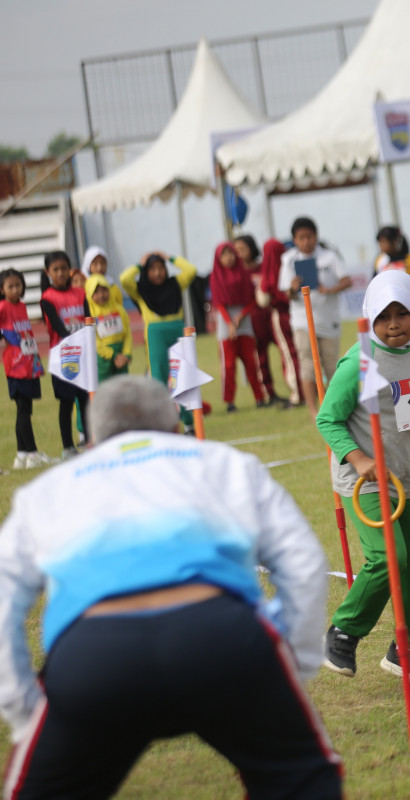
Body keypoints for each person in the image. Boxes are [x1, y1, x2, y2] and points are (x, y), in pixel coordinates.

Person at [0, 376, 341, 798]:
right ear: (176, 428)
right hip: (224, 639)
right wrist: (292, 659)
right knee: (303, 780)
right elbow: (302, 561)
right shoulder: (226, 464)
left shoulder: (46, 491)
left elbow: (4, 598)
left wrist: (23, 708)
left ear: (91, 442)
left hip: (94, 658)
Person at [316, 271, 410, 683]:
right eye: (385, 315)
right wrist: (358, 460)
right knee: (390, 557)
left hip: (408, 475)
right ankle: (341, 634)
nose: (394, 323)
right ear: (370, 316)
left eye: (403, 313)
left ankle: (409, 652)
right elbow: (327, 419)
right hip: (367, 481)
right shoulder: (359, 360)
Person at [277, 217, 351, 417]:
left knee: (331, 365)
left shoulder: (330, 256)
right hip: (302, 321)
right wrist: (292, 288)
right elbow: (285, 293)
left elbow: (347, 281)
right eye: (301, 237)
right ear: (295, 239)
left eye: (309, 236)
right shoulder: (288, 259)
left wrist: (330, 289)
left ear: (316, 236)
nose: (306, 241)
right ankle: (313, 410)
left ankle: (336, 408)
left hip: (329, 319)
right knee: (308, 364)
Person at [120, 250, 197, 433]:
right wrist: (140, 264)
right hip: (155, 334)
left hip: (178, 330)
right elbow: (124, 278)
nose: (157, 273)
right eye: (152, 269)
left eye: (161, 268)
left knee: (183, 377)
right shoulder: (140, 290)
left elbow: (191, 270)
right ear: (146, 272)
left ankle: (189, 424)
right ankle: (164, 425)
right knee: (159, 380)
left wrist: (169, 257)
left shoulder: (175, 284)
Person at [238, 235, 301, 409]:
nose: (239, 253)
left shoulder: (267, 268)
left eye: (242, 249)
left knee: (288, 354)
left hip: (276, 316)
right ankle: (270, 393)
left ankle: (297, 392)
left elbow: (264, 296)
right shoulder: (242, 272)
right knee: (264, 356)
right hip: (257, 319)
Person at [0, 268, 52, 470]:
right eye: (10, 286)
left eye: (18, 285)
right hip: (15, 364)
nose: (15, 289)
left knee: (26, 409)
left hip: (29, 362)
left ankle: (21, 456)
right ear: (2, 290)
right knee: (22, 408)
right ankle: (32, 453)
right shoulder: (3, 306)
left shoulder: (21, 306)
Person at [40, 251, 89, 457]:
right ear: (48, 272)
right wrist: (77, 337)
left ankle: (89, 440)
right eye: (56, 270)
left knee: (85, 399)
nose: (61, 273)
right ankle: (68, 446)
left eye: (64, 269)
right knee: (67, 402)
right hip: (63, 356)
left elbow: (88, 319)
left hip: (83, 354)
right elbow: (60, 328)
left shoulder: (80, 293)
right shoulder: (47, 299)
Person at [210, 242, 268, 413]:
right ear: (218, 258)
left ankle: (259, 398)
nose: (229, 258)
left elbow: (252, 300)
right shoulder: (216, 277)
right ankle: (230, 402)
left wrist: (241, 316)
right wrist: (229, 323)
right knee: (228, 365)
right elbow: (219, 304)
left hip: (244, 324)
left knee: (251, 363)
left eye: (231, 253)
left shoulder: (243, 273)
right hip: (226, 326)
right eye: (225, 255)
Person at [85, 274, 132, 382]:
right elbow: (93, 339)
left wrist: (127, 353)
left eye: (104, 290)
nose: (101, 295)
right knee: (105, 391)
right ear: (89, 294)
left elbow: (128, 334)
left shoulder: (120, 310)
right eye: (96, 292)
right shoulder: (89, 314)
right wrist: (113, 355)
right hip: (103, 359)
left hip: (121, 357)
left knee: (123, 388)